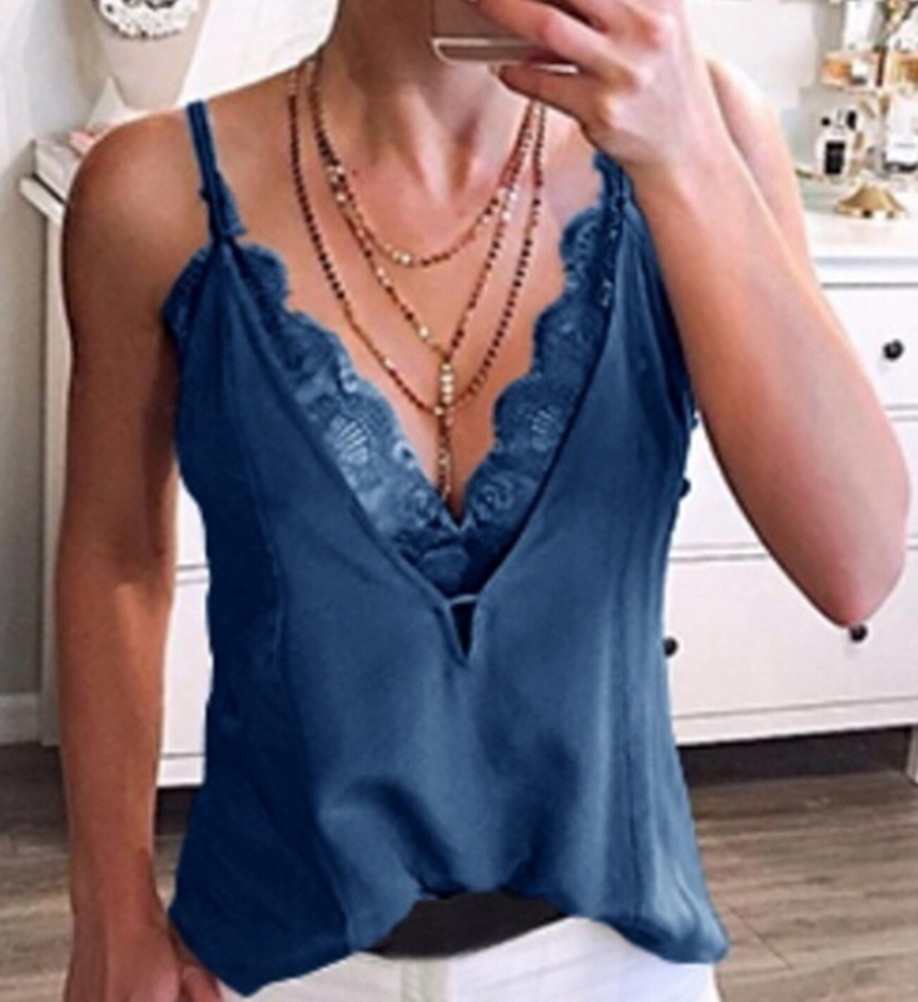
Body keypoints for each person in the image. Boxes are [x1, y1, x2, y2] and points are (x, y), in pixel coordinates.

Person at [56, 0, 911, 1000]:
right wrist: (109, 907)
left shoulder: (703, 135)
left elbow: (856, 564)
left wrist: (687, 158)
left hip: (617, 955)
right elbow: (115, 559)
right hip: (272, 958)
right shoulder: (154, 194)